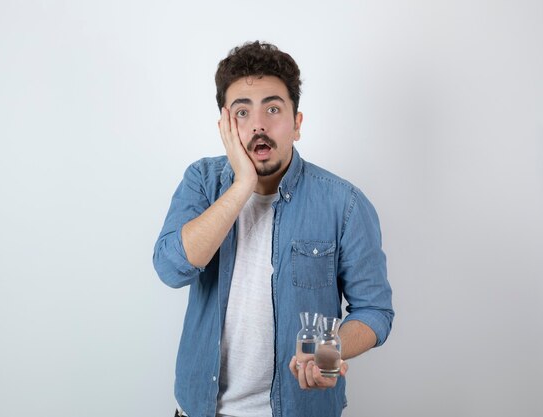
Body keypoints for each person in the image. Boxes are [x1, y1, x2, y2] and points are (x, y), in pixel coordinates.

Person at [153, 41, 394, 417]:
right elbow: (172, 268)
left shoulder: (343, 204)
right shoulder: (202, 182)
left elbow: (375, 311)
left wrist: (328, 352)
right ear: (224, 126)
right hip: (201, 410)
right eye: (242, 113)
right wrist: (241, 185)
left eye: (273, 109)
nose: (259, 125)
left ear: (297, 124)